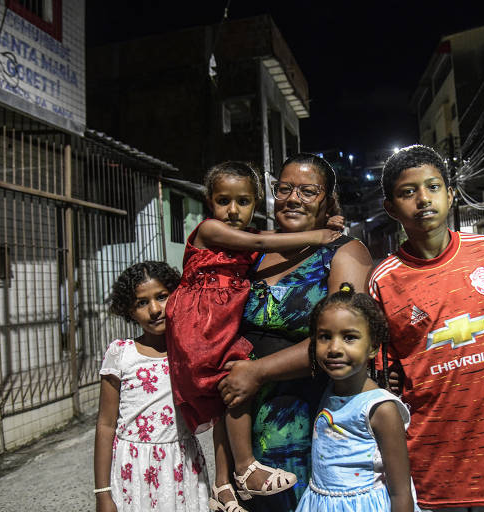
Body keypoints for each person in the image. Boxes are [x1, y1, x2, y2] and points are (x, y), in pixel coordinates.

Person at [164, 161, 343, 512]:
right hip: (202, 327)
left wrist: (325, 223)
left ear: (255, 203)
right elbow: (260, 238)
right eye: (223, 201)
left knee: (224, 401)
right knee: (234, 378)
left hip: (217, 325)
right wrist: (318, 235)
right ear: (209, 202)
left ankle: (222, 484)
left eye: (243, 202)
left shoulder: (251, 249)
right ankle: (243, 469)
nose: (233, 211)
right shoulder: (215, 231)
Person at [370, 145, 484, 511]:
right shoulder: (383, 281)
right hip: (432, 471)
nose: (423, 199)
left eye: (432, 186)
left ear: (450, 194)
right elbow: (385, 374)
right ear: (391, 208)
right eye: (407, 192)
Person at [217, 153, 374, 512]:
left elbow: (344, 338)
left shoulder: (342, 252)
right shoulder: (253, 251)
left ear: (328, 200)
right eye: (284, 189)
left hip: (307, 419)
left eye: (308, 191)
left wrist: (257, 372)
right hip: (240, 417)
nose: (292, 198)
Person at [93, 261, 209, 512]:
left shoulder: (193, 351)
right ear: (129, 311)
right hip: (134, 470)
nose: (155, 309)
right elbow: (105, 424)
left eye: (162, 297)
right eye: (142, 302)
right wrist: (102, 494)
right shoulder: (121, 354)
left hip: (182, 464)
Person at [296, 283, 415, 512]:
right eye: (324, 337)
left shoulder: (381, 409)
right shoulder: (327, 389)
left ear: (372, 348)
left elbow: (401, 492)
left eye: (349, 338)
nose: (334, 348)